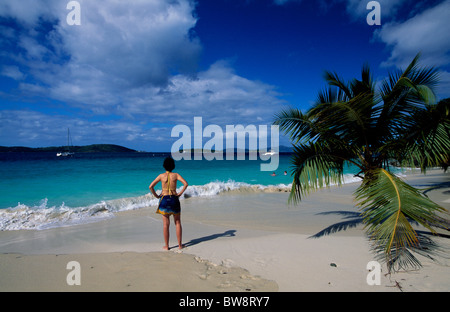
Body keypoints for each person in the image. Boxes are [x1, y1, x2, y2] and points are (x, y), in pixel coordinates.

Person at [149, 157, 188, 250]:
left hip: (164, 199)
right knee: (177, 222)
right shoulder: (176, 175)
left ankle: (167, 246)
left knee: (166, 224)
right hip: (174, 199)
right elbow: (185, 184)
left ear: (164, 166)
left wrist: (157, 196)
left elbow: (151, 186)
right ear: (173, 166)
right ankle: (179, 245)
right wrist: (180, 193)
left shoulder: (161, 176)